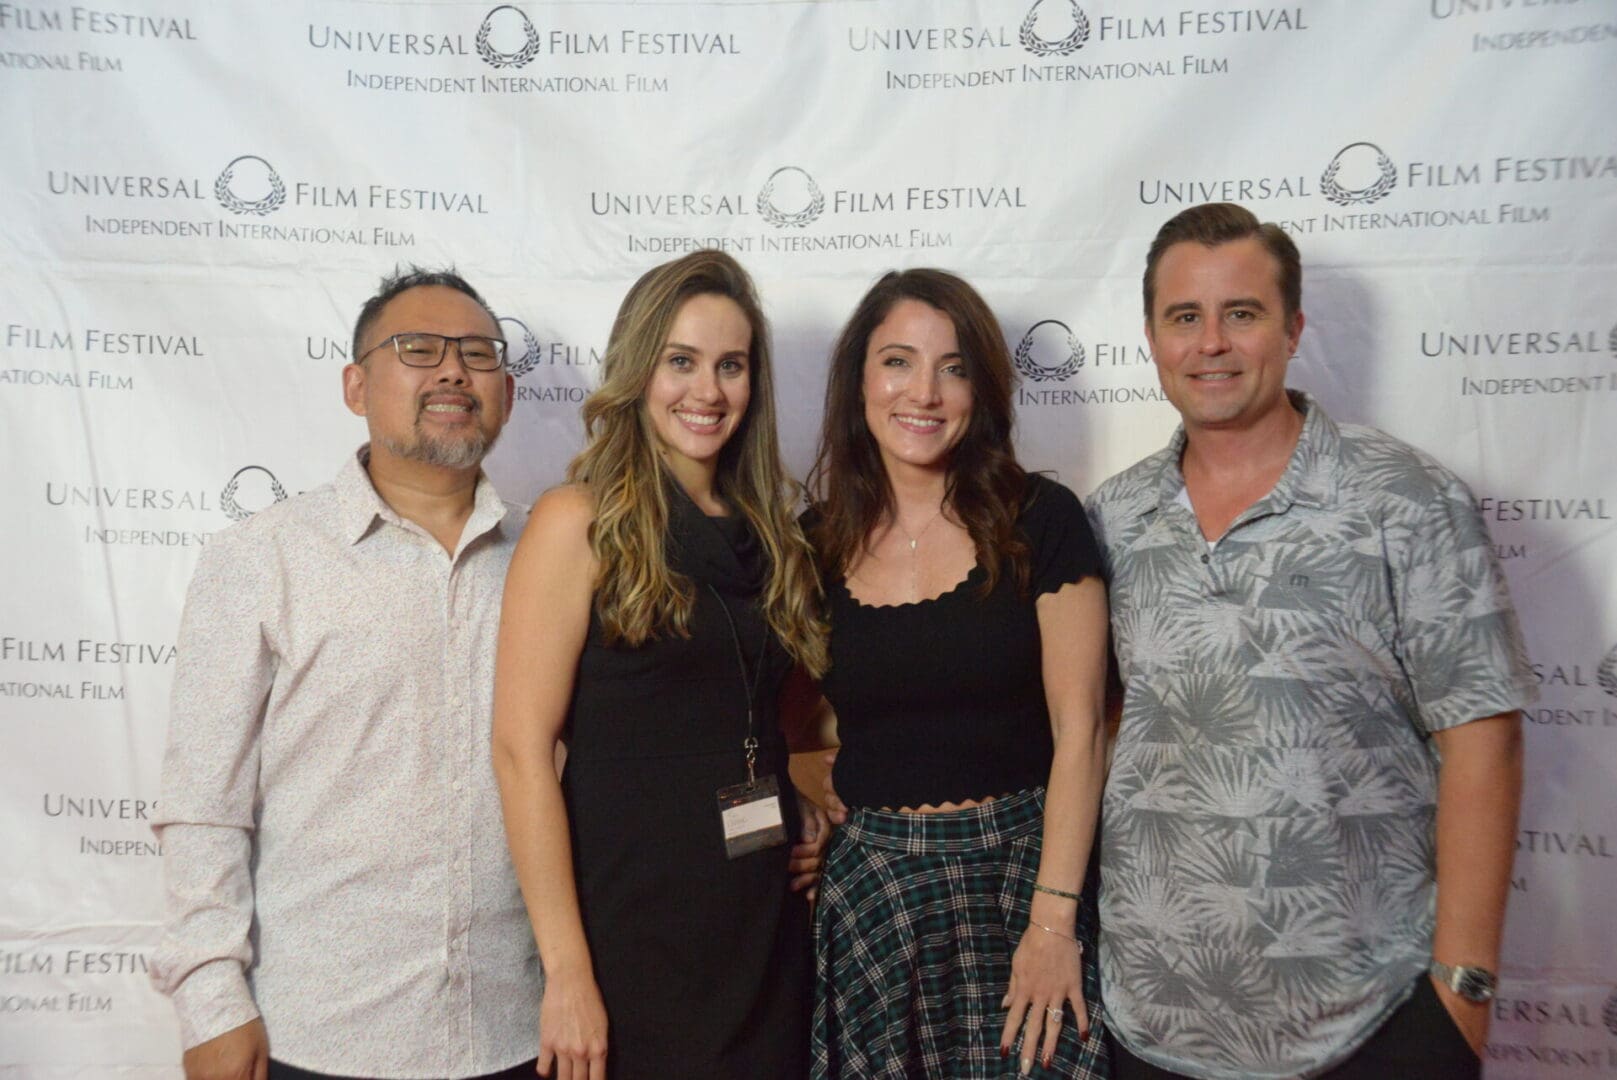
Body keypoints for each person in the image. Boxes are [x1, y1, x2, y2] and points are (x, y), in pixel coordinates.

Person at [1086, 202, 1537, 1080]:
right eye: (1185, 317)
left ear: (1292, 329)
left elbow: (1485, 739)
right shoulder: (1111, 519)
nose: (1211, 342)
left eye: (1241, 313)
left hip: (1366, 1026)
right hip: (1147, 1024)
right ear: (1150, 337)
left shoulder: (1405, 498)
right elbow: (1088, 731)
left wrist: (1462, 996)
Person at [151, 268, 541, 1080]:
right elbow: (202, 804)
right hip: (320, 1035)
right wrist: (211, 1004)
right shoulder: (261, 559)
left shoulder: (551, 559)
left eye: (477, 353)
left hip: (521, 1031)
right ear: (355, 385)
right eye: (417, 349)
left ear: (505, 390)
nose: (451, 371)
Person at [491, 249, 830, 1080]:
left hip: (760, 919)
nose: (706, 392)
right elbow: (519, 752)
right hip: (632, 926)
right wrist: (567, 972)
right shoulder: (577, 521)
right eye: (680, 362)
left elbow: (765, 714)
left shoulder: (773, 531)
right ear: (639, 370)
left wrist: (805, 800)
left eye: (731, 365)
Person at [801, 269, 1111, 1079]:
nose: (924, 393)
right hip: (872, 894)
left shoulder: (1039, 518)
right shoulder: (811, 542)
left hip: (1022, 881)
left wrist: (1053, 922)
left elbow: (1081, 734)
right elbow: (754, 715)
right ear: (858, 382)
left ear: (982, 388)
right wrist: (805, 785)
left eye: (954, 367)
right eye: (897, 361)